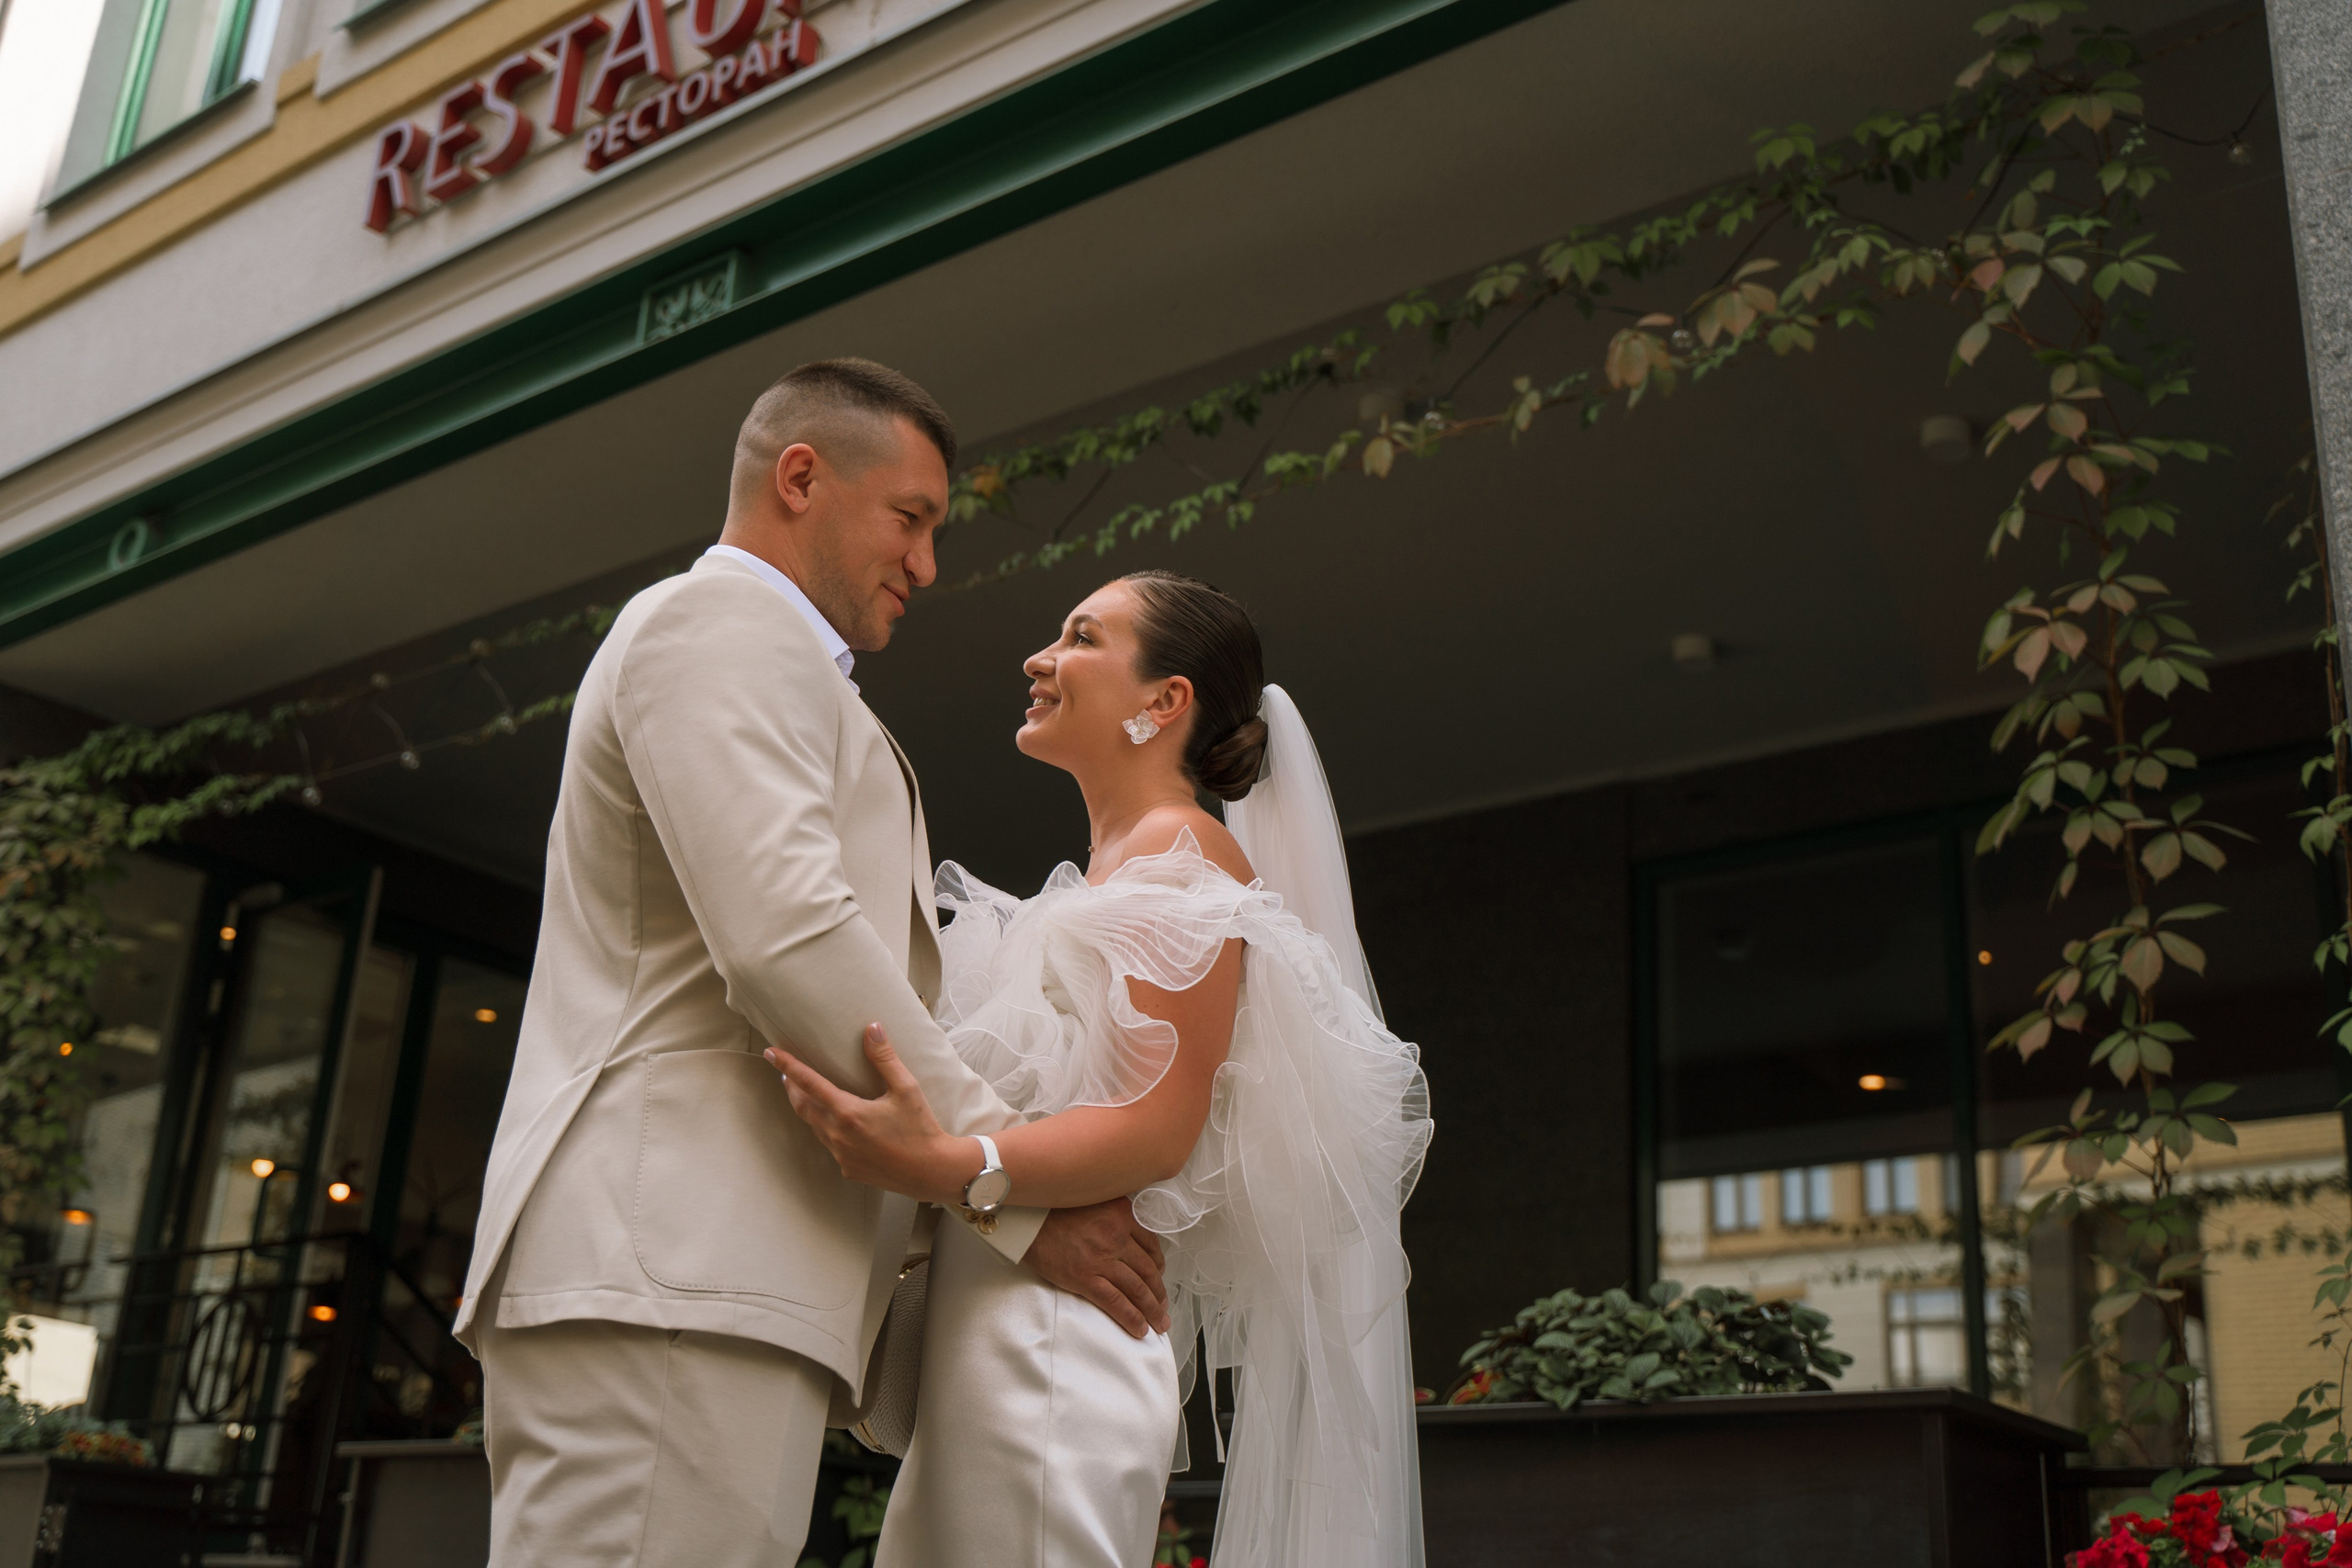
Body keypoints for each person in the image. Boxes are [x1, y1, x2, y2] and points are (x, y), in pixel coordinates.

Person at [453, 358, 1170, 1568]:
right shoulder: (717, 622)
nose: (929, 564)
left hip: (702, 1275)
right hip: (667, 1261)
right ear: (801, 476)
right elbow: (788, 931)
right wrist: (1000, 1176)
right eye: (912, 516)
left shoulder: (780, 666)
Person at [770, 570, 1433, 1568]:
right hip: (1002, 1318)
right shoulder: (1120, 866)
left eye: (1081, 638)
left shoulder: (1182, 852)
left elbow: (1158, 1129)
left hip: (1054, 1342)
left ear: (1164, 702)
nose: (1039, 659)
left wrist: (936, 1164)